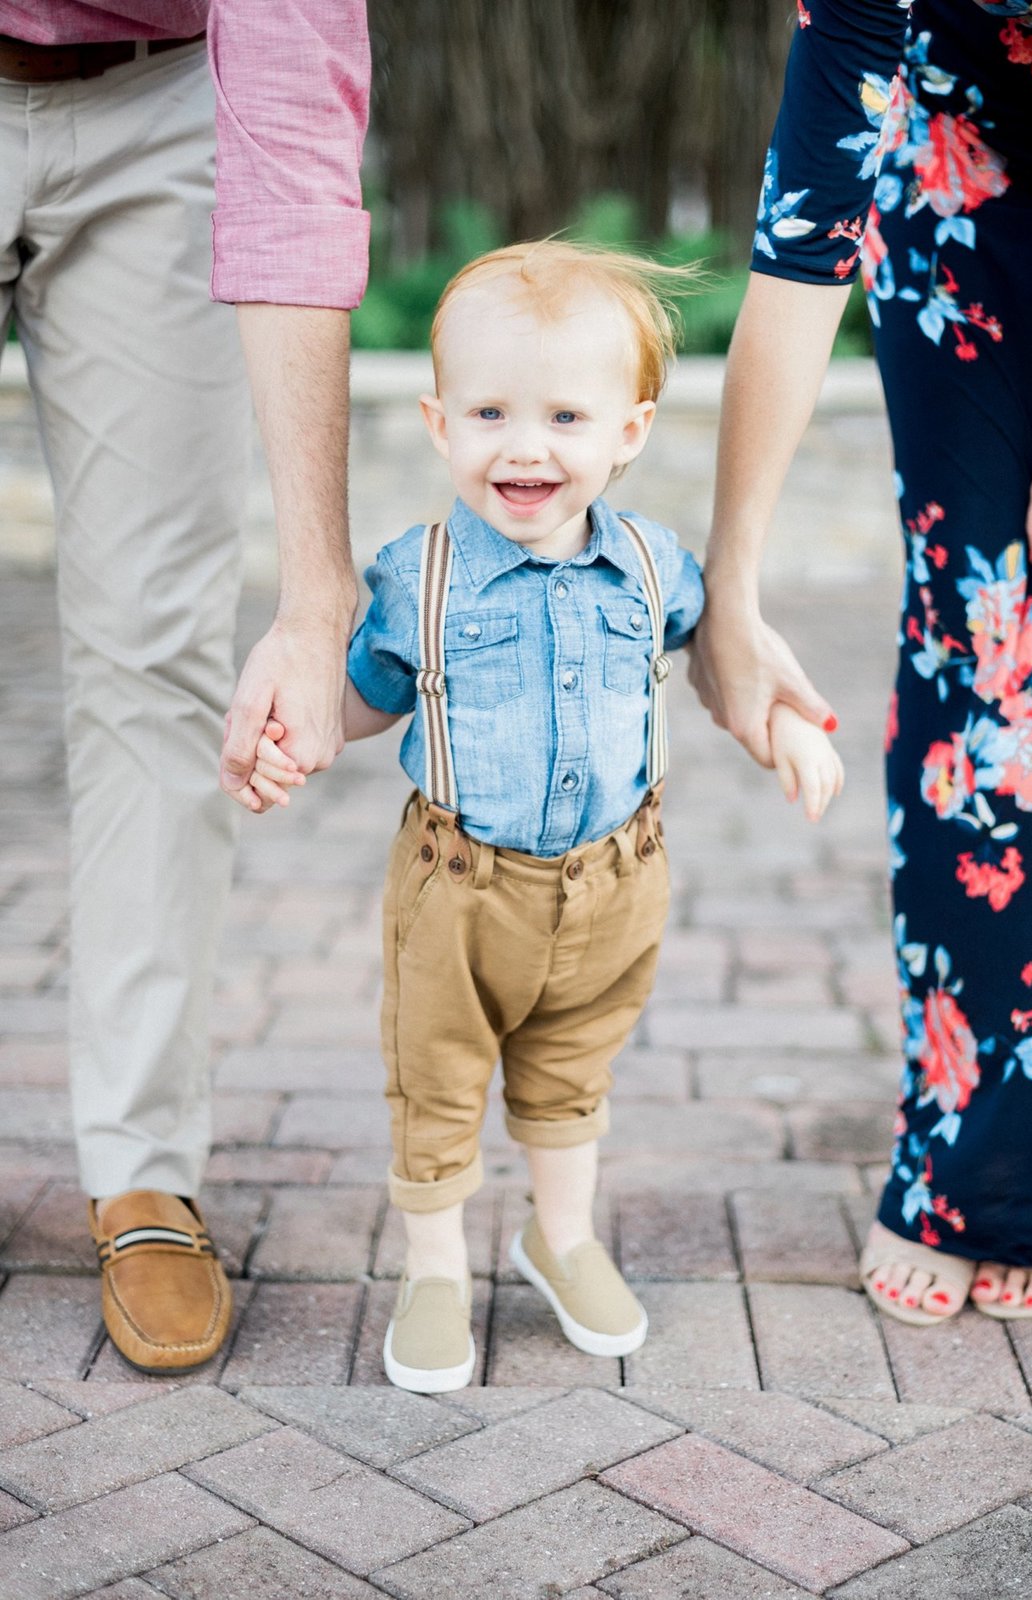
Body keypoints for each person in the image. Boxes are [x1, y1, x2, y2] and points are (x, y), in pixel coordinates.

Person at [251, 240, 844, 1390]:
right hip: (456, 888)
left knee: (573, 1070)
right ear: (438, 424)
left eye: (566, 416)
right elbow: (366, 702)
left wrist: (788, 729)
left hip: (618, 881)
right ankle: (432, 1267)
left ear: (629, 431)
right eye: (489, 412)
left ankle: (559, 1238)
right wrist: (295, 733)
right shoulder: (413, 578)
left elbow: (721, 662)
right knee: (437, 1075)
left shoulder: (655, 567)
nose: (525, 445)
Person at [691, 0, 1032, 1325]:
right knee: (979, 657)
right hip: (961, 208)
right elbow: (799, 254)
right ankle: (972, 1152)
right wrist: (729, 589)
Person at [0, 4, 369, 1371]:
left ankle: (143, 1162)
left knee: (155, 659)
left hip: (165, 98)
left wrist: (317, 596)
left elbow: (292, 141)